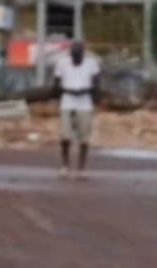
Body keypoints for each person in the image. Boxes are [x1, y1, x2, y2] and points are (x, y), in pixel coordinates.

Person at [53, 39, 101, 179]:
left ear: (83, 53)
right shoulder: (62, 63)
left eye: (79, 54)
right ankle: (65, 165)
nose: (76, 57)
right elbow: (56, 83)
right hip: (67, 101)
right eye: (74, 54)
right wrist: (63, 91)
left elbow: (97, 81)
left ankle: (81, 169)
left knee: (84, 137)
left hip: (85, 102)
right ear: (70, 53)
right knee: (65, 135)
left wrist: (93, 94)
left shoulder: (91, 63)